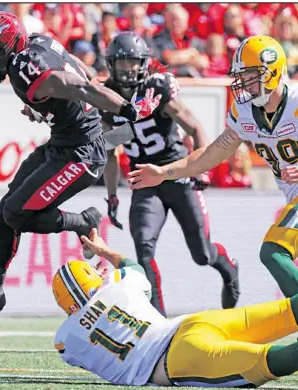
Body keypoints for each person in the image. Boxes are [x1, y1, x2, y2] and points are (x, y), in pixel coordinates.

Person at [127, 35, 298, 339]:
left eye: (249, 76)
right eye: (241, 77)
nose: (243, 84)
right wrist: (164, 172)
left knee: (273, 251)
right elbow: (209, 155)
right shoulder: (246, 113)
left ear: (271, 72)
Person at [0, 11, 162, 314]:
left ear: (5, 45)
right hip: (64, 144)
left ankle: (83, 222)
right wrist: (44, 108)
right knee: (9, 205)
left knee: (16, 213)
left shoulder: (24, 68)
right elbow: (76, 76)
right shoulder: (36, 45)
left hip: (80, 154)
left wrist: (128, 109)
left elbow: (81, 87)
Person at [52, 227, 298, 388]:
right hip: (192, 324)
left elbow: (77, 342)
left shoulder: (66, 341)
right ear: (92, 280)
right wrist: (105, 252)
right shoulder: (119, 285)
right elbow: (133, 266)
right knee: (295, 309)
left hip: (177, 360)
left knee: (271, 361)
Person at [100, 31, 240, 316]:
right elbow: (111, 152)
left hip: (176, 174)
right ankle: (158, 320)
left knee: (201, 254)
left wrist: (200, 171)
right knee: (144, 248)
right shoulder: (106, 98)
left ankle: (228, 270)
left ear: (143, 64)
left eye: (132, 63)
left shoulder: (157, 90)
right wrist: (112, 194)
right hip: (143, 180)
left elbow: (195, 129)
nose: (127, 70)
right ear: (111, 65)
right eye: (121, 64)